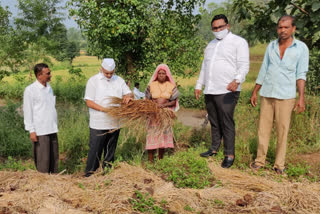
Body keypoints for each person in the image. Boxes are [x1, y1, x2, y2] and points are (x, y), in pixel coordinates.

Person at [250, 15, 309, 174]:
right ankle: (259, 161)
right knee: (263, 129)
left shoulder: (301, 48)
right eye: (280, 27)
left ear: (293, 29)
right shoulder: (271, 46)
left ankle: (279, 165)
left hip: (286, 96)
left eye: (286, 27)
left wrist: (301, 98)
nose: (282, 30)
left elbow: (301, 74)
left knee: (282, 130)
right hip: (267, 93)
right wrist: (255, 91)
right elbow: (264, 69)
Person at [195, 14, 249, 168]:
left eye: (220, 27)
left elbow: (244, 65)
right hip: (210, 89)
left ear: (228, 26)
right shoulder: (210, 45)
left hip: (227, 89)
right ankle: (213, 148)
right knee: (214, 121)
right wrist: (199, 85)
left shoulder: (238, 42)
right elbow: (205, 67)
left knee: (226, 122)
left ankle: (229, 154)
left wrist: (237, 80)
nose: (218, 30)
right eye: (214, 28)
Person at [84, 58, 133, 177]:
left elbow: (128, 93)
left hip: (114, 123)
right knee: (95, 150)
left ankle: (107, 174)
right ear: (101, 69)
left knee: (110, 150)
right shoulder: (93, 81)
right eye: (106, 73)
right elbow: (89, 102)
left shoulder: (119, 80)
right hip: (98, 123)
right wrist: (105, 110)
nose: (109, 75)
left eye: (111, 73)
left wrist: (128, 96)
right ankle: (90, 175)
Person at [23, 63, 59, 173]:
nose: (50, 75)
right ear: (39, 75)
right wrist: (31, 130)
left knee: (54, 157)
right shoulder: (30, 90)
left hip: (52, 127)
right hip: (40, 130)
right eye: (48, 73)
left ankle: (53, 179)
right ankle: (42, 182)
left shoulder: (49, 88)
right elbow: (27, 111)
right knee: (43, 159)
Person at [145, 64, 179, 162]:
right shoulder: (151, 85)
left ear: (166, 74)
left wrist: (163, 106)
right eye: (159, 73)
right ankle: (150, 160)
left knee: (163, 136)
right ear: (156, 74)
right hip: (153, 114)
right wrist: (153, 106)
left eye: (163, 73)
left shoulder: (171, 86)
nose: (161, 75)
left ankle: (160, 159)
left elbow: (174, 101)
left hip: (165, 114)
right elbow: (147, 98)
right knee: (152, 135)